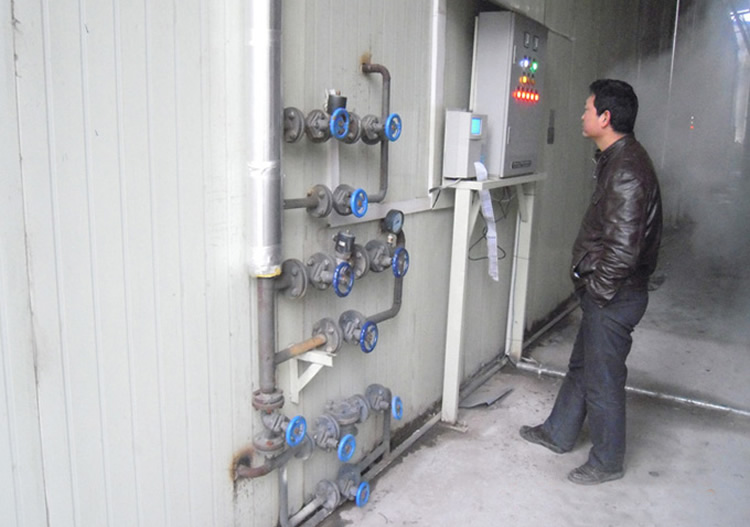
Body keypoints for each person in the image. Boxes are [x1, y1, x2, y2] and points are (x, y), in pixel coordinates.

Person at [520, 79, 663, 485]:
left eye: (587, 109)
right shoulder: (617, 159)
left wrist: (597, 292)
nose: (581, 115)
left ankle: (607, 461)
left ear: (605, 117)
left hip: (614, 295)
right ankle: (559, 432)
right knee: (584, 365)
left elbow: (623, 248)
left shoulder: (627, 171)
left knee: (603, 379)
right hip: (608, 293)